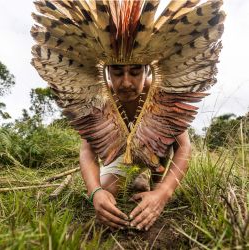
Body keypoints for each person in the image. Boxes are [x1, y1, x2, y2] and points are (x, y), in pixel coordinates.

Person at [79, 64, 191, 231]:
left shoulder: (161, 93)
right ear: (107, 73)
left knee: (162, 139)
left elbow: (184, 146)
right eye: (117, 72)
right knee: (106, 189)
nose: (126, 83)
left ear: (146, 70)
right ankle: (138, 177)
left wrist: (163, 192)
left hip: (156, 149)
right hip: (122, 151)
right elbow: (87, 150)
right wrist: (95, 192)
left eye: (135, 72)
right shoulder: (100, 98)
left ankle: (156, 180)